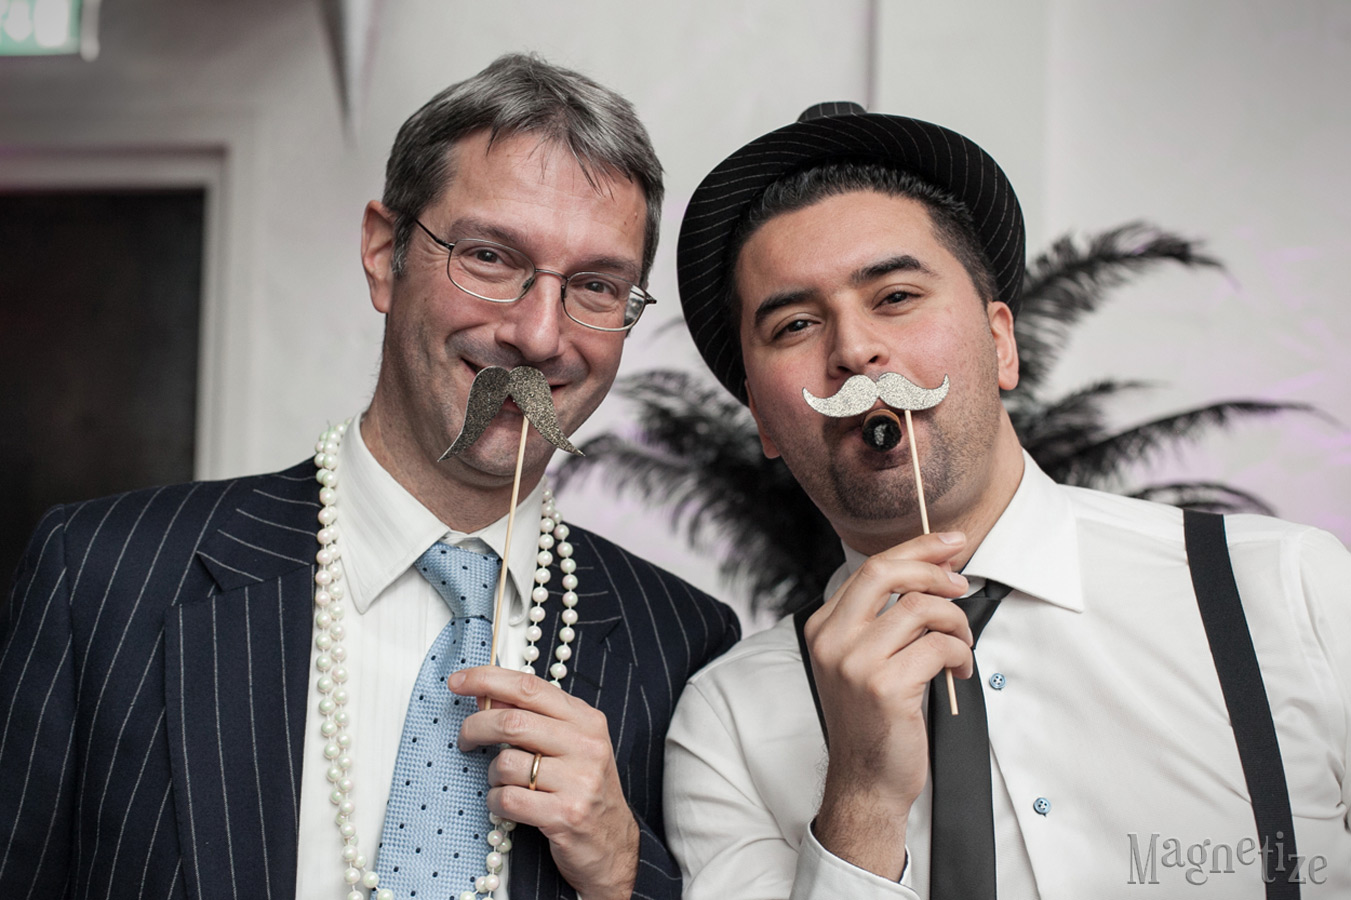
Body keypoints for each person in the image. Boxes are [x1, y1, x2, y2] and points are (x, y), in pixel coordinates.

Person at [0, 53, 739, 900]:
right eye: (490, 256)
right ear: (385, 254)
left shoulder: (682, 646)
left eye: (596, 286)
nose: (538, 336)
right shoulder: (103, 576)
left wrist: (621, 870)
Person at [664, 102, 1351, 899]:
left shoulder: (1284, 588)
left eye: (894, 296)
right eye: (793, 325)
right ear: (760, 418)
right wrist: (862, 798)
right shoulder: (726, 724)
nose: (853, 350)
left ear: (1000, 342)